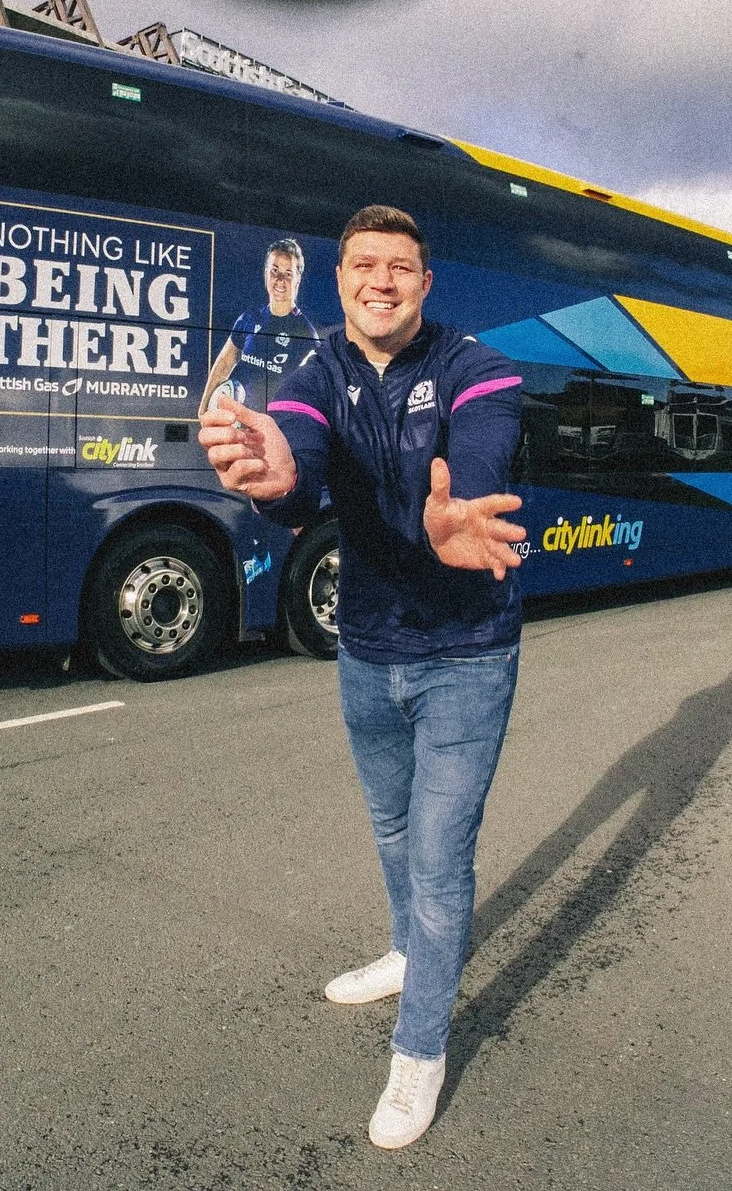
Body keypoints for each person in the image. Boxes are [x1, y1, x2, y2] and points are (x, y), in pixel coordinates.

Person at [198, 205, 526, 1150]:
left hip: (468, 652)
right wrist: (270, 471)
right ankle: (404, 952)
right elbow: (296, 445)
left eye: (401, 267)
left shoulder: (479, 367)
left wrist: (452, 513)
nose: (381, 280)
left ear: (427, 285)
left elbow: (481, 451)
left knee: (435, 854)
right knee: (389, 827)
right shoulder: (319, 373)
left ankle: (419, 1052)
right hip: (367, 648)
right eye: (363, 266)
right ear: (340, 281)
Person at [197, 237, 320, 415]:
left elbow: (313, 392)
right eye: (274, 271)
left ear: (297, 280)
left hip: (276, 430)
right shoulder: (249, 318)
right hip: (241, 424)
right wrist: (203, 409)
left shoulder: (306, 333)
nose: (280, 279)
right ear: (265, 273)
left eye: (288, 273)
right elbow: (224, 363)